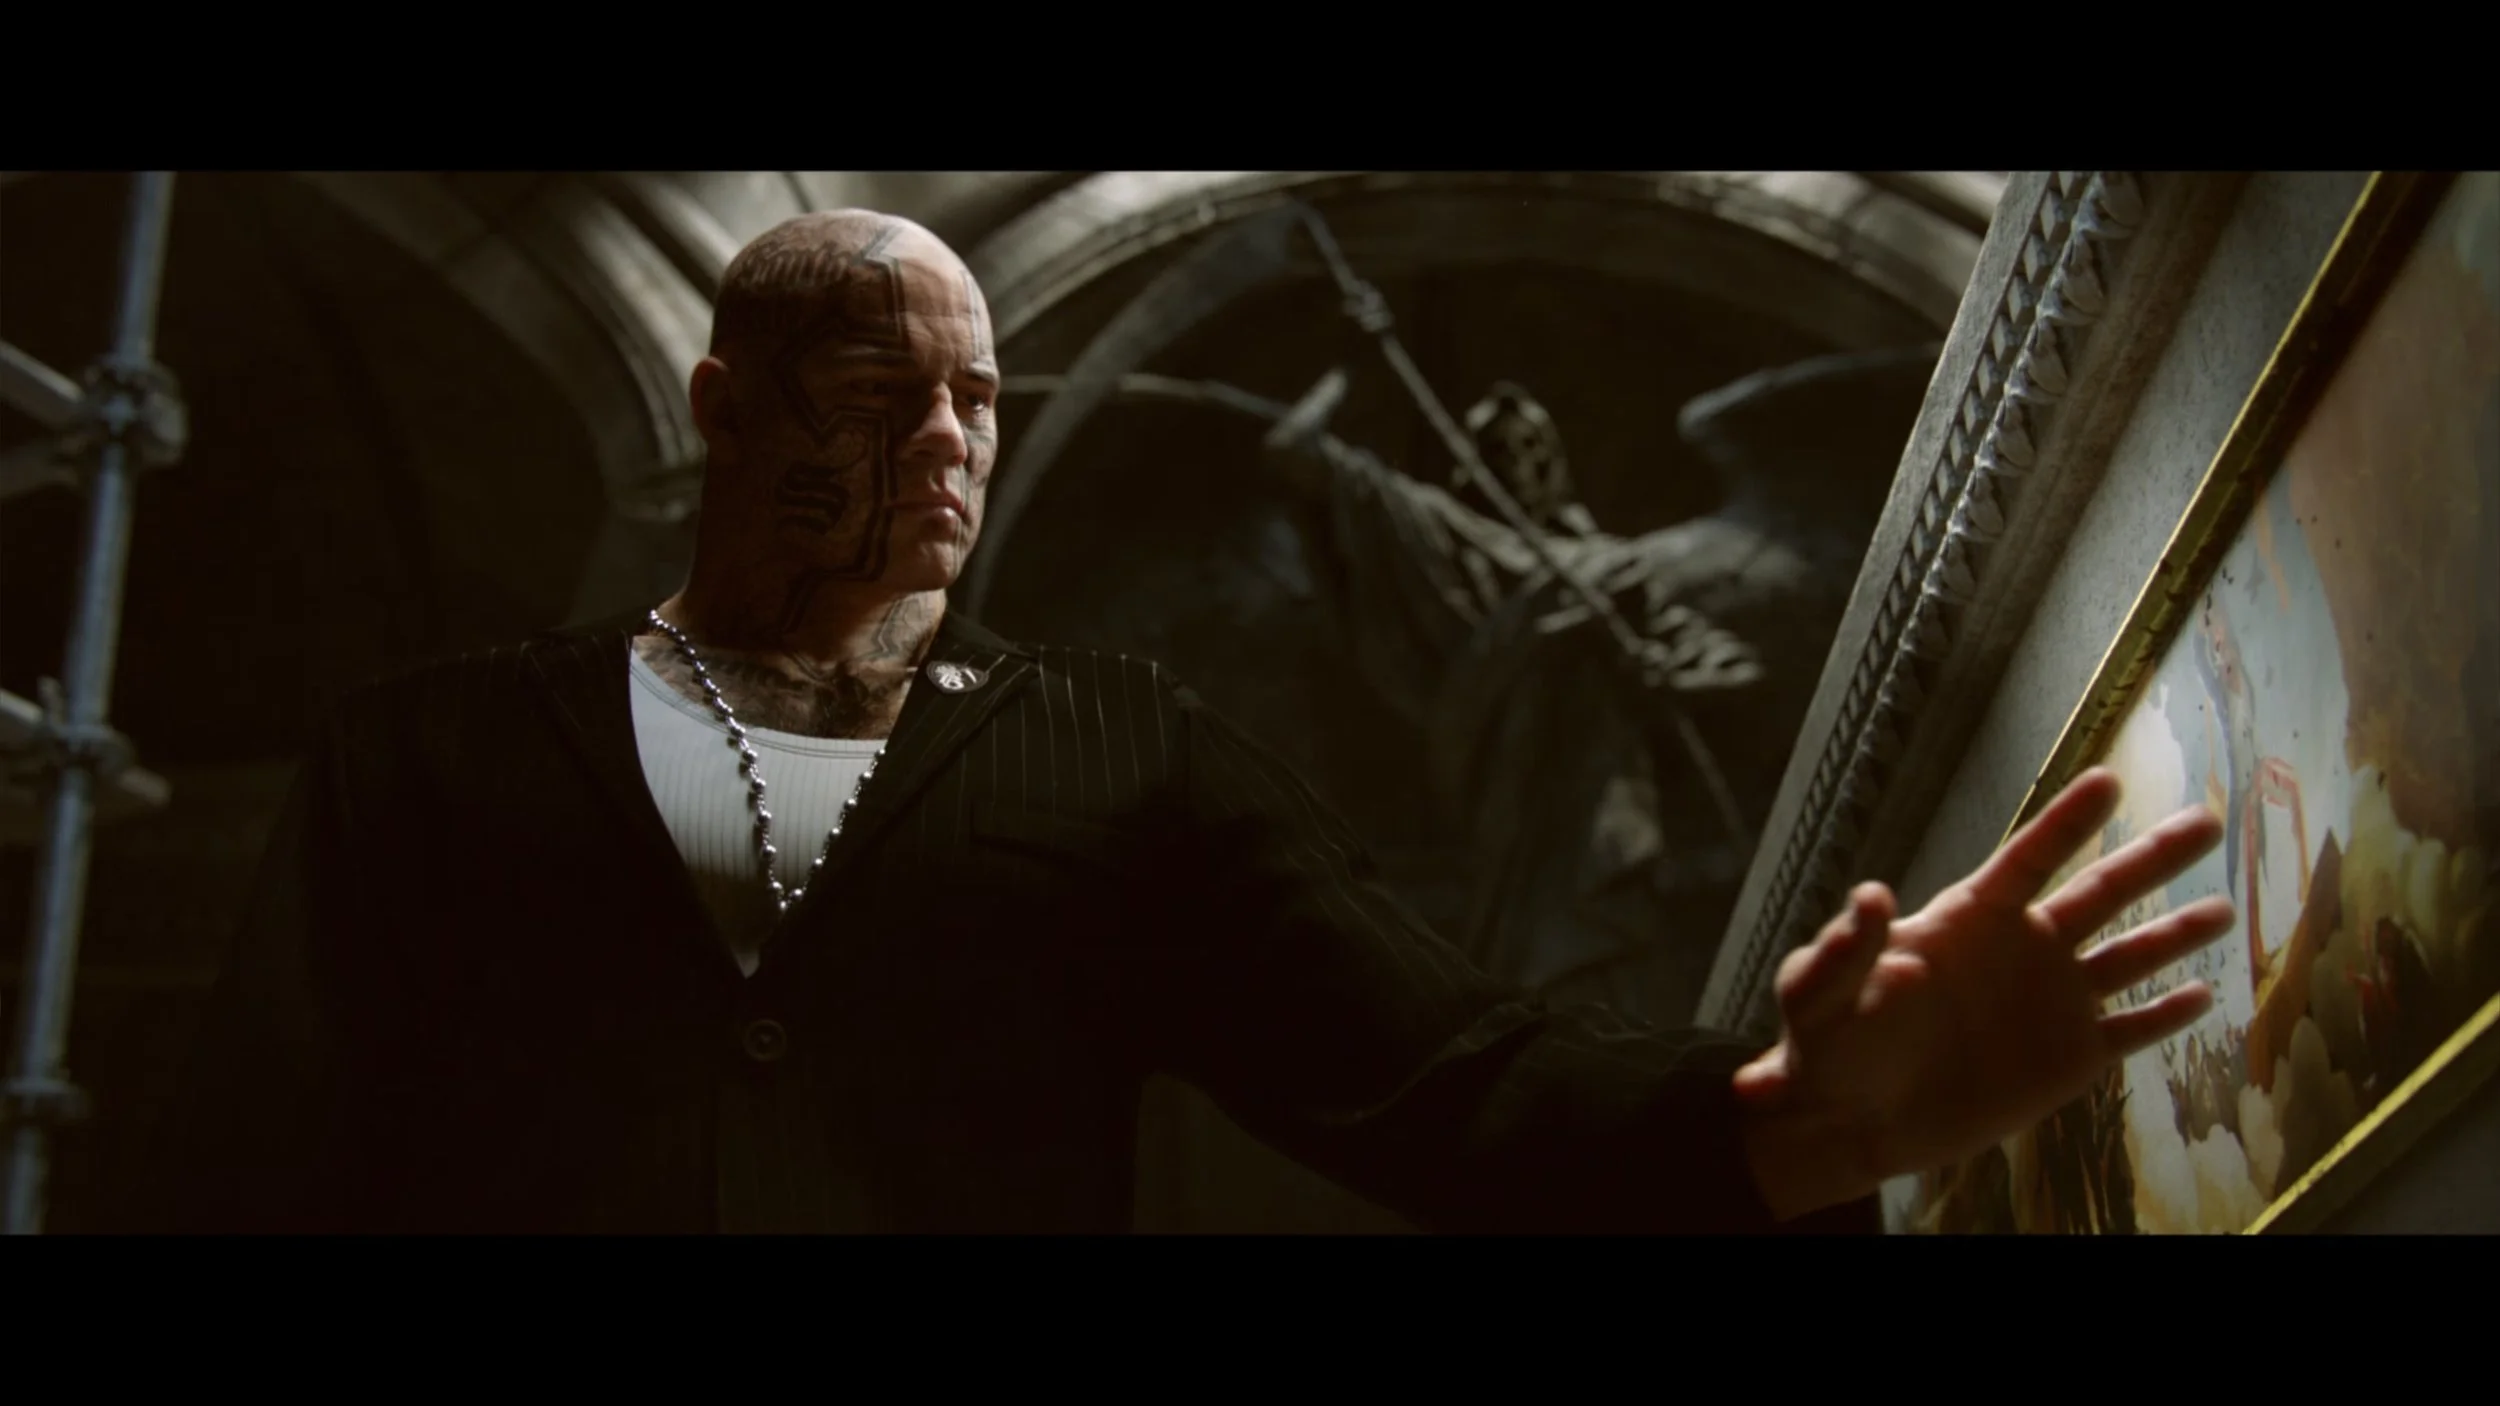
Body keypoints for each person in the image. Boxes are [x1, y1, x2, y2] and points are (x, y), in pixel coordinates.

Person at [148, 210, 2236, 1234]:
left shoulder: (1111, 752)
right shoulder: (428, 751)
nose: (950, 440)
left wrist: (1803, 1115)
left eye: (980, 398)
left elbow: (1451, 1079)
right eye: (882, 390)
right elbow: (244, 1173)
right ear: (721, 405)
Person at [1261, 352, 1936, 1027]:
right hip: (1513, 806)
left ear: (1558, 466)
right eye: (1500, 450)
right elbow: (1329, 475)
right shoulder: (1464, 550)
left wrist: (1666, 674)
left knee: (1608, 946)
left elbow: (1727, 664)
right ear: (1472, 469)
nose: (1520, 464)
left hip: (1604, 808)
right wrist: (1351, 378)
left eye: (1533, 448)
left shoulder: (1609, 572)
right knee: (1535, 954)